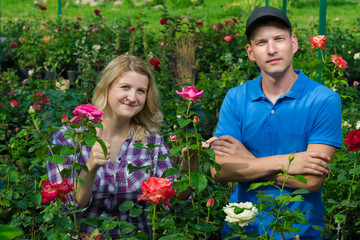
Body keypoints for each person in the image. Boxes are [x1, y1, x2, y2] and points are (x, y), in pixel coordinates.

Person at [210, 6, 342, 240]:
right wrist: (289, 162)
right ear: (251, 52)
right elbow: (218, 169)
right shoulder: (236, 97)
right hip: (242, 230)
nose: (272, 50)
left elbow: (311, 180)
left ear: (294, 43)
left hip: (298, 232)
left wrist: (248, 160)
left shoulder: (323, 99)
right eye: (261, 43)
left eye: (279, 39)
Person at [47, 55, 195, 239]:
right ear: (106, 87)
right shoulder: (69, 138)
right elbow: (68, 205)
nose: (132, 97)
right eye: (125, 87)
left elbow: (175, 200)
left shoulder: (152, 142)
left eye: (141, 91)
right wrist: (91, 166)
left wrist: (190, 162)